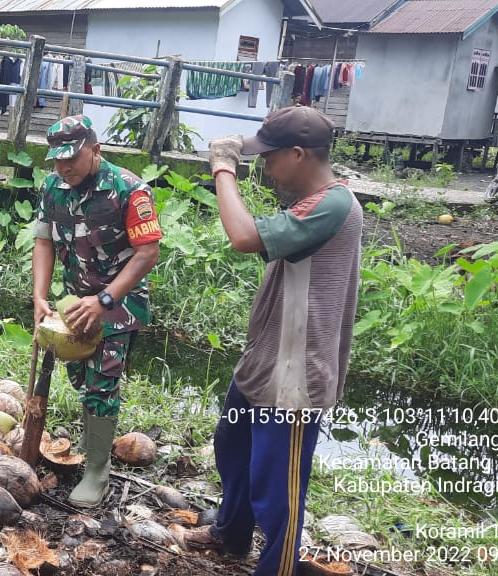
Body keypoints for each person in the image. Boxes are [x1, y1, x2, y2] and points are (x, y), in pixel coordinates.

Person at [183, 106, 362, 576]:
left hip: (296, 374)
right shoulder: (311, 201)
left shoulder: (334, 204)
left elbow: (242, 236)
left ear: (299, 154)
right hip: (267, 358)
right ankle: (232, 534)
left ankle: (278, 568)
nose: (263, 167)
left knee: (276, 485)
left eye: (269, 158)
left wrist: (223, 167)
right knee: (233, 445)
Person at [31, 115, 162, 507]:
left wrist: (105, 300)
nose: (64, 167)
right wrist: (39, 296)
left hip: (118, 302)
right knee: (78, 374)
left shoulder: (129, 189)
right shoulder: (53, 187)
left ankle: (97, 471)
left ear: (96, 150)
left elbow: (147, 252)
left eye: (72, 158)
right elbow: (44, 242)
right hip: (74, 301)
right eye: (57, 160)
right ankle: (93, 436)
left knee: (101, 382)